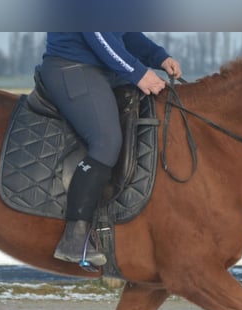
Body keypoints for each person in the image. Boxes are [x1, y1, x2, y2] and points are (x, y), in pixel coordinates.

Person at [38, 33, 182, 267]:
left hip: (105, 69)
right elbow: (96, 32)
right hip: (72, 66)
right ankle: (74, 236)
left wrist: (159, 57)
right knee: (106, 141)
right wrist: (137, 72)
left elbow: (123, 33)